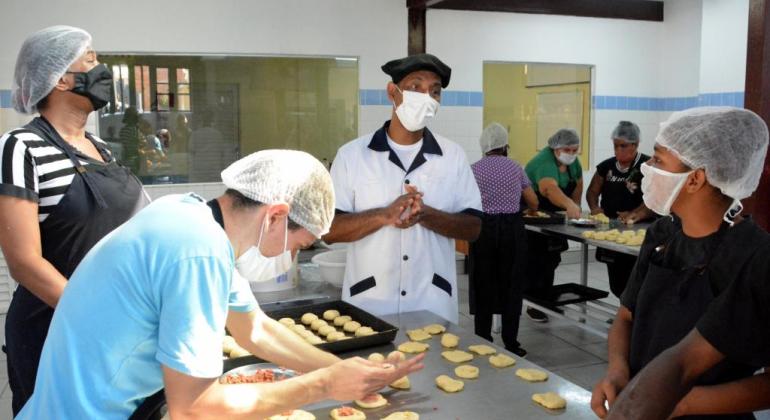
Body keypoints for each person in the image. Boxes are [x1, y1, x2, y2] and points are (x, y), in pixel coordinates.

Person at [16, 150, 424, 419]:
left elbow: (254, 329)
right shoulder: (198, 249)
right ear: (276, 214)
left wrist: (347, 369)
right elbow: (193, 408)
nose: (298, 253)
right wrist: (323, 386)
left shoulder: (191, 215)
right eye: (302, 242)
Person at [0, 26, 149, 415]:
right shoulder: (19, 147)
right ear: (62, 79)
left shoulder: (101, 149)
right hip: (53, 326)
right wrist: (96, 317)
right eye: (91, 60)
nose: (101, 69)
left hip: (116, 327)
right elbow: (24, 262)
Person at [591, 107, 770, 420]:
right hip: (644, 408)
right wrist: (618, 371)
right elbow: (626, 316)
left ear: (695, 179)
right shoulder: (663, 233)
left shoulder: (755, 255)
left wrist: (683, 401)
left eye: (658, 160)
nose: (647, 166)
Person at [323, 53, 482, 323]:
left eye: (434, 91)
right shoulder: (352, 156)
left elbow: (474, 228)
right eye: (414, 87)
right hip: (370, 300)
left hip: (432, 298)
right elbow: (329, 231)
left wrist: (426, 215)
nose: (425, 97)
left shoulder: (452, 156)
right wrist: (383, 215)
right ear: (392, 92)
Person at [469, 123, 538, 357]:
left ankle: (483, 337)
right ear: (505, 146)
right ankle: (511, 342)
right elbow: (533, 202)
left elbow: (467, 201)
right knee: (511, 283)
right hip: (511, 230)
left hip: (483, 230)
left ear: (484, 147)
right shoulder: (515, 167)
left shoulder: (474, 169)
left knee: (483, 281)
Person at [586, 121, 654, 297]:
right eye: (615, 146)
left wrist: (635, 214)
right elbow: (592, 191)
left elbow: (654, 198)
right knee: (617, 281)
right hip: (612, 229)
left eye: (623, 146)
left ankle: (633, 318)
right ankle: (625, 315)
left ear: (636, 144)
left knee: (636, 278)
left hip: (638, 232)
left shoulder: (648, 167)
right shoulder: (606, 166)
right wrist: (595, 208)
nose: (618, 150)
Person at [522, 128, 583, 322]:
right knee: (536, 262)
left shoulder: (572, 163)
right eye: (568, 150)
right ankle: (534, 304)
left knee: (552, 259)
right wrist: (569, 205)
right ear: (556, 148)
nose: (571, 154)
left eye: (575, 150)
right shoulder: (544, 162)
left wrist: (575, 208)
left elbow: (578, 182)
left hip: (555, 218)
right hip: (535, 214)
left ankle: (545, 301)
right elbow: (548, 189)